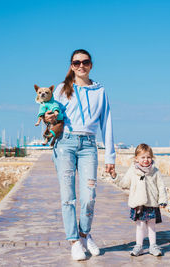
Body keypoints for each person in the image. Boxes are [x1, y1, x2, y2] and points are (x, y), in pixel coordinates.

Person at [45, 49, 116, 261]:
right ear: (71, 65)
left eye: (85, 62)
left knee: (89, 196)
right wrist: (49, 117)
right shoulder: (61, 89)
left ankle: (85, 235)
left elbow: (107, 123)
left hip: (88, 145)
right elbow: (50, 111)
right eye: (76, 63)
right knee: (68, 197)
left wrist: (110, 157)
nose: (81, 66)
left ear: (91, 65)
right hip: (65, 143)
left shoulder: (100, 91)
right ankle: (74, 241)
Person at [117, 143, 167, 257]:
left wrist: (162, 200)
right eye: (143, 157)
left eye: (148, 157)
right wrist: (115, 177)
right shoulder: (133, 170)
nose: (146, 160)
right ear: (136, 158)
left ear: (152, 158)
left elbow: (161, 186)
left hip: (152, 203)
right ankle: (139, 245)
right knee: (140, 226)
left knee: (152, 226)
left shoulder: (155, 171)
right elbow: (124, 183)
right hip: (138, 203)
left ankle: (153, 246)